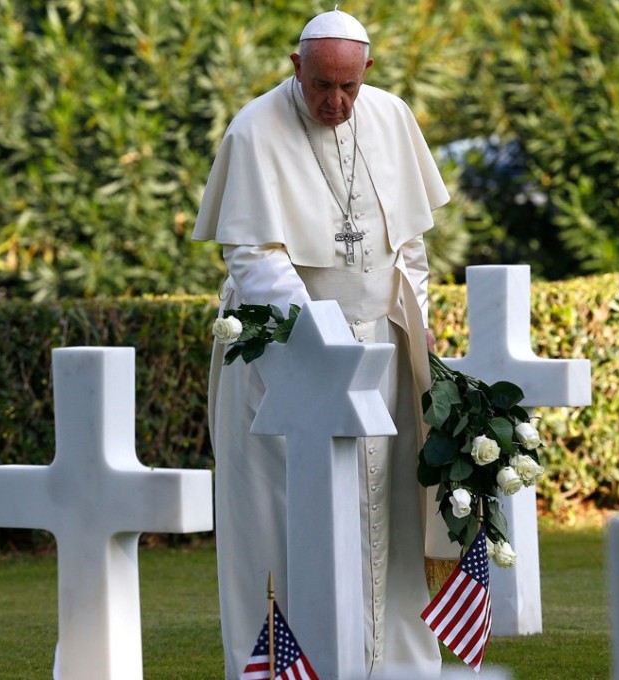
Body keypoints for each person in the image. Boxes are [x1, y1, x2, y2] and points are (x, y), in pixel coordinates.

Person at [191, 8, 448, 680]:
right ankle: (286, 668)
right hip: (287, 367)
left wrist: (414, 318)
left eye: (348, 88)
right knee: (282, 525)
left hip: (382, 363)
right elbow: (253, 256)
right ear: (294, 67)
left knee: (390, 523)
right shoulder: (254, 130)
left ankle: (395, 667)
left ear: (367, 73)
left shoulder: (391, 118)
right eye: (320, 87)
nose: (335, 103)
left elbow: (410, 245)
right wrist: (323, 346)